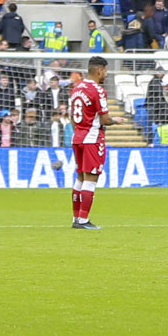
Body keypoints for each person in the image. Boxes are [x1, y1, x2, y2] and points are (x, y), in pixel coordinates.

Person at [69, 55, 113, 230]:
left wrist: (79, 131)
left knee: (79, 178)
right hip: (92, 138)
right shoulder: (98, 90)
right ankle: (83, 220)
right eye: (106, 71)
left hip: (77, 137)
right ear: (100, 70)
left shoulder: (76, 88)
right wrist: (115, 120)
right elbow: (105, 119)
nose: (106, 75)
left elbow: (72, 116)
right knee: (91, 179)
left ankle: (76, 218)